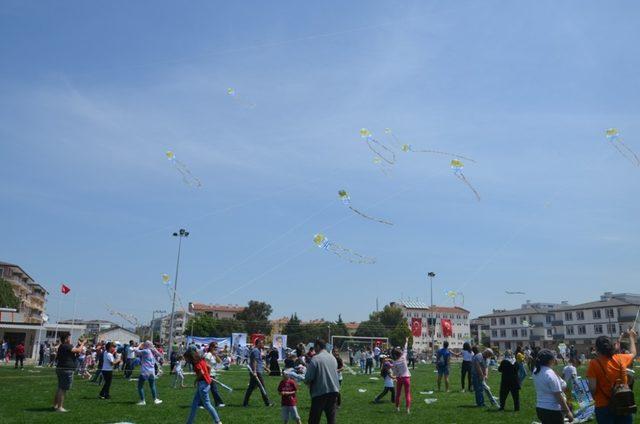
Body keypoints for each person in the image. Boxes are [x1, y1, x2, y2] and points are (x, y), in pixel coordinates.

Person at [587, 329, 637, 424]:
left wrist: (595, 397)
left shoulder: (594, 364)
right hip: (623, 401)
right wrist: (631, 337)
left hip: (603, 405)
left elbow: (592, 388)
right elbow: (633, 353)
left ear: (597, 349)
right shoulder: (620, 358)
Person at [305, 338, 340, 424]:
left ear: (317, 346)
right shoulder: (333, 358)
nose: (314, 350)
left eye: (314, 347)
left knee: (314, 419)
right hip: (334, 391)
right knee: (331, 419)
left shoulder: (315, 359)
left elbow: (308, 378)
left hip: (320, 392)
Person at [533, 348, 573, 423]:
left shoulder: (536, 371)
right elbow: (558, 395)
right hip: (553, 410)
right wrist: (568, 412)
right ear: (550, 360)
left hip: (540, 408)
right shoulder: (550, 374)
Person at [185, 348, 222, 424]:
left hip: (203, 385)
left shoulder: (196, 364)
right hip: (205, 383)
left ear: (190, 357)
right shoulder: (202, 360)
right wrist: (207, 375)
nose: (186, 360)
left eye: (186, 358)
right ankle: (189, 422)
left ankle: (218, 421)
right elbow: (209, 367)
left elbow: (201, 373)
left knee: (207, 404)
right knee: (194, 404)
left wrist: (196, 380)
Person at [53, 335, 85, 412]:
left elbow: (74, 350)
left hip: (61, 368)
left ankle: (55, 405)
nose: (70, 339)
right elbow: (78, 351)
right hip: (66, 369)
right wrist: (83, 343)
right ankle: (60, 407)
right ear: (66, 339)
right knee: (63, 389)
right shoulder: (66, 346)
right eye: (69, 338)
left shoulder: (63, 346)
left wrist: (79, 345)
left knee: (60, 387)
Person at [243, 338, 273, 407]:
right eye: (262, 343)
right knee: (262, 387)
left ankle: (245, 403)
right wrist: (255, 372)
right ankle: (267, 403)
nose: (263, 344)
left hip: (257, 371)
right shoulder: (256, 351)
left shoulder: (258, 350)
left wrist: (266, 369)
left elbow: (259, 362)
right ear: (258, 343)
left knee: (251, 388)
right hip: (257, 372)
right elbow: (254, 362)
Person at [135, 341, 163, 405]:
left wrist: (139, 345)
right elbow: (159, 354)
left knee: (140, 386)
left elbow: (136, 351)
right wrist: (153, 348)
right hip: (152, 371)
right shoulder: (152, 351)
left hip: (145, 371)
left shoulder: (146, 351)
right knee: (152, 386)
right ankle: (155, 399)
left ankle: (143, 401)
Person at [391, 338, 411, 414]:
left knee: (398, 393)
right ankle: (407, 409)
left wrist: (394, 376)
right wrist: (406, 340)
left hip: (399, 378)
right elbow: (405, 348)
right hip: (406, 378)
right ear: (400, 353)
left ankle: (397, 408)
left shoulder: (395, 362)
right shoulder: (403, 358)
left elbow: (394, 373)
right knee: (407, 394)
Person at [204, 342, 225, 407]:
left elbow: (220, 362)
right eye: (215, 347)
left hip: (213, 374)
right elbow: (205, 364)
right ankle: (218, 403)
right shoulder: (208, 354)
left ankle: (200, 403)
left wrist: (215, 355)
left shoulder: (213, 355)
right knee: (213, 389)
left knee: (208, 390)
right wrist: (208, 373)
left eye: (216, 347)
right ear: (211, 347)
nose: (216, 348)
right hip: (209, 374)